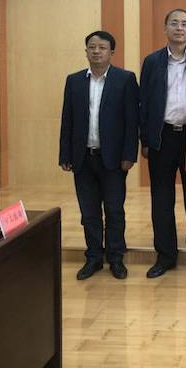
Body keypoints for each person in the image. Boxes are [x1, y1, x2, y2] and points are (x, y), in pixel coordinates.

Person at [139, 9, 186, 280]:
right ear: (165, 28)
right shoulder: (152, 61)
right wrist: (146, 139)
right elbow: (143, 102)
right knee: (161, 200)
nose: (179, 28)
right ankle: (165, 256)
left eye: (185, 24)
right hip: (162, 137)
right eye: (174, 23)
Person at [59, 31, 139, 281]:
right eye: (91, 47)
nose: (96, 51)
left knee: (114, 210)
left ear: (111, 52)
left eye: (102, 47)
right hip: (82, 157)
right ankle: (93, 257)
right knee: (89, 212)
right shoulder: (74, 81)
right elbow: (67, 119)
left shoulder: (125, 79)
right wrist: (65, 154)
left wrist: (129, 154)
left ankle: (115, 257)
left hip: (113, 158)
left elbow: (132, 121)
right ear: (86, 51)